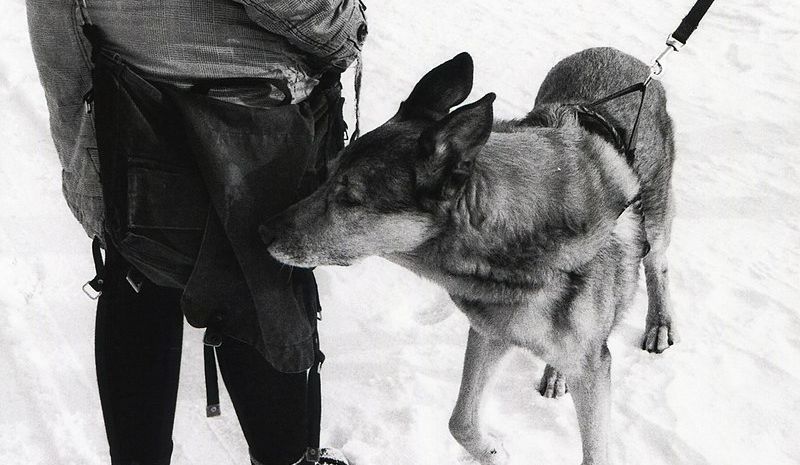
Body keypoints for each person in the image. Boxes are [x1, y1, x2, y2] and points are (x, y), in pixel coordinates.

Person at [25, 1, 367, 464]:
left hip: (128, 108)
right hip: (256, 127)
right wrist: (348, 25)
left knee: (140, 274)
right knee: (260, 287)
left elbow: (54, 17)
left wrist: (81, 143)